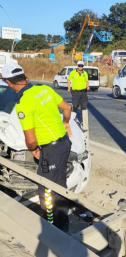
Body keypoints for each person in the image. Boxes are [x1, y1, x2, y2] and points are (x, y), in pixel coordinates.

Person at [2, 62, 73, 232]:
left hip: (51, 150)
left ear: (9, 83)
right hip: (64, 144)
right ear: (24, 76)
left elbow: (31, 139)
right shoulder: (44, 89)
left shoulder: (23, 103)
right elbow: (67, 107)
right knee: (59, 183)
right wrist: (66, 123)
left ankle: (53, 227)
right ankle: (63, 221)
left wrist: (33, 149)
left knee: (46, 188)